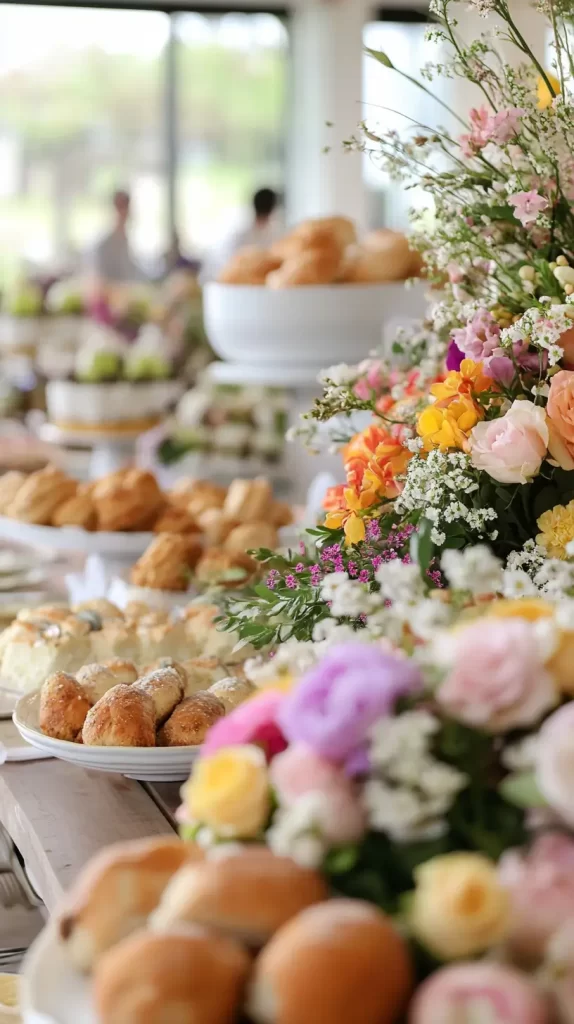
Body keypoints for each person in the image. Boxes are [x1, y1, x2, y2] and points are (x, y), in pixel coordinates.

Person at [201, 187, 282, 282]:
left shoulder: (272, 230)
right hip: (220, 279)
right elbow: (226, 265)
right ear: (272, 209)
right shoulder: (239, 229)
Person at [87, 189, 145, 286]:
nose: (125, 212)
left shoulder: (126, 241)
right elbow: (100, 279)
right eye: (121, 207)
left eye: (126, 207)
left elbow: (132, 273)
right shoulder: (104, 245)